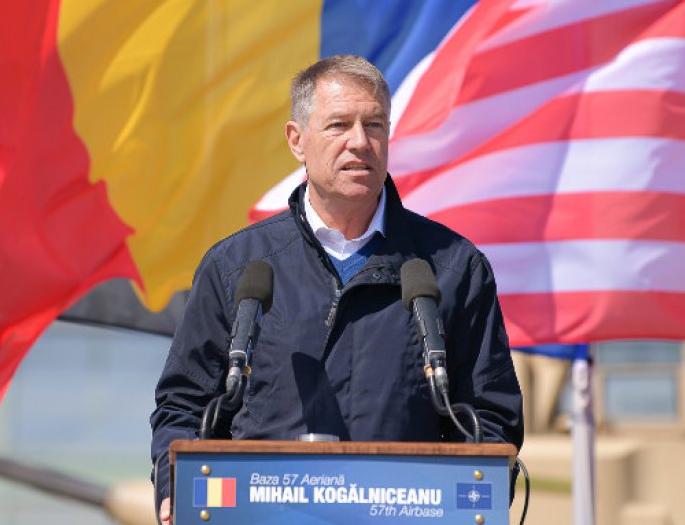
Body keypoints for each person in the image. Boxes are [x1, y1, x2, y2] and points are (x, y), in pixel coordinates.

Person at [149, 55, 524, 523]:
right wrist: (174, 489)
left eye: (374, 125)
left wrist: (477, 502)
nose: (359, 143)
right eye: (338, 125)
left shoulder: (453, 267)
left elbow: (491, 417)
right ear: (297, 140)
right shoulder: (237, 268)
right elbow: (184, 404)